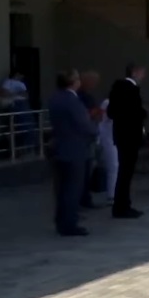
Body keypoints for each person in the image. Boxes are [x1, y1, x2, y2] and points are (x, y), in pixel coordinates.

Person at [48, 70, 98, 236]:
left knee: (61, 188)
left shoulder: (55, 98)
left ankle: (61, 220)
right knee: (72, 188)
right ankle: (69, 223)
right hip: (75, 148)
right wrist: (94, 131)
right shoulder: (72, 100)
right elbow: (83, 123)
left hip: (59, 146)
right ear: (73, 82)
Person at [106, 62, 146, 219]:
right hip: (129, 136)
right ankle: (122, 206)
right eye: (141, 73)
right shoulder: (131, 90)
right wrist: (143, 113)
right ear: (134, 72)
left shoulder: (116, 89)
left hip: (121, 135)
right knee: (126, 173)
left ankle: (122, 204)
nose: (143, 76)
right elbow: (134, 113)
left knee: (124, 172)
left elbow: (111, 112)